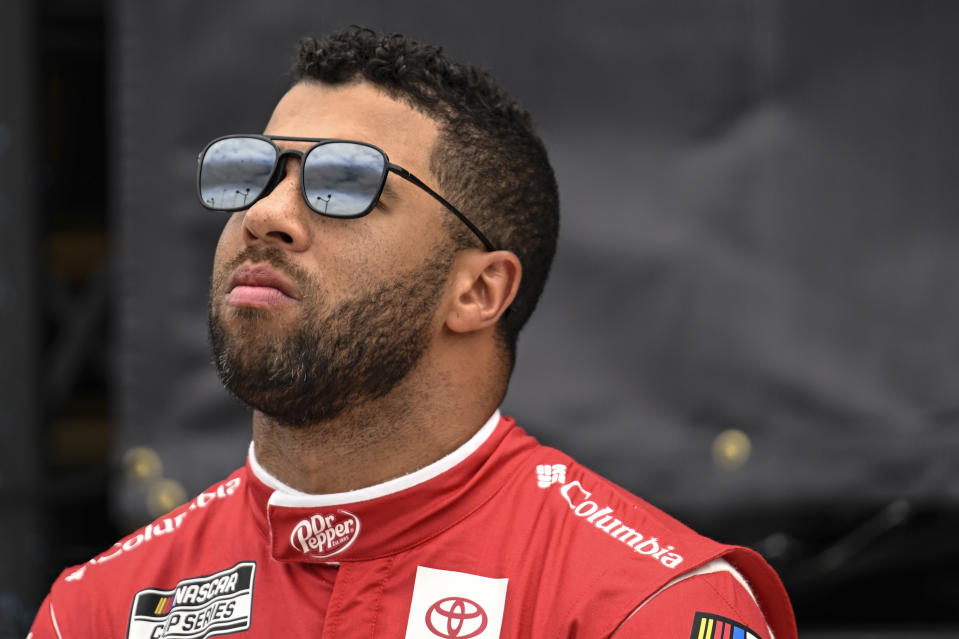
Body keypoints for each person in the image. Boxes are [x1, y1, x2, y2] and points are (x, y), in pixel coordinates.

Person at [30, 26, 796, 639]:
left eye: (343, 184)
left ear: (478, 289)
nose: (265, 214)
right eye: (256, 171)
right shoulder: (100, 608)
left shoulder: (641, 605)